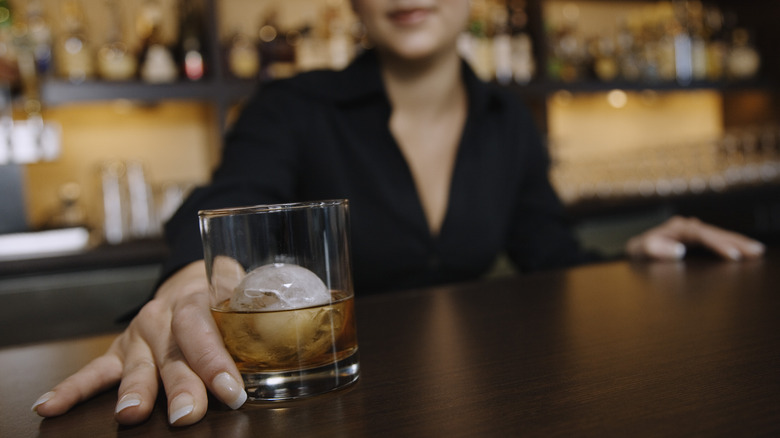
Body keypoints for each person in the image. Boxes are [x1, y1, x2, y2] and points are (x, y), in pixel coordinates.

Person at [32, 0, 765, 427]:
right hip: (329, 411)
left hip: (489, 407)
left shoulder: (506, 120)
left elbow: (548, 250)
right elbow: (229, 200)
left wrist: (636, 255)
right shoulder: (295, 107)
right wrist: (198, 276)